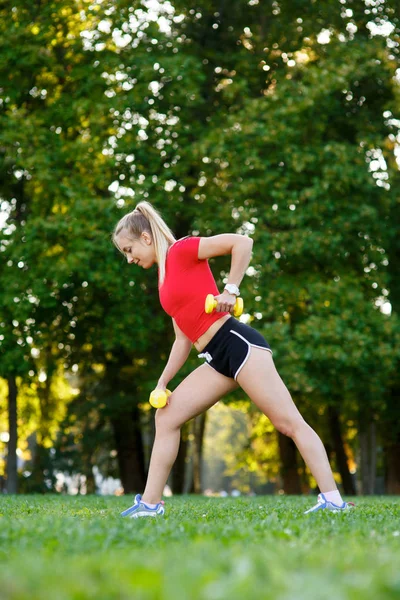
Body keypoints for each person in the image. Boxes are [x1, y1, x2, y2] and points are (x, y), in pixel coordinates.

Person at [112, 201, 355, 517]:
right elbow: (183, 339)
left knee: (288, 423)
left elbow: (242, 242)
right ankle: (150, 504)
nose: (129, 258)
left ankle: (333, 501)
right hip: (214, 358)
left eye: (129, 249)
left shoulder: (183, 250)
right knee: (166, 417)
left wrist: (231, 289)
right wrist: (163, 380)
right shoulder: (163, 279)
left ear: (146, 238)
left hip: (238, 344)